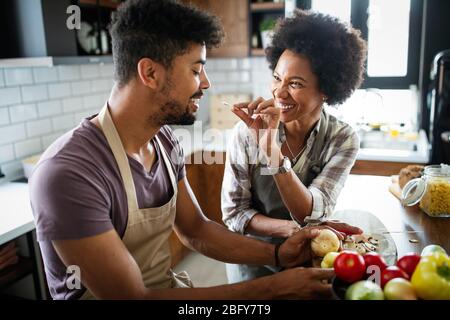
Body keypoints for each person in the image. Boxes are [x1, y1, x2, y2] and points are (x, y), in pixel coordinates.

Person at [29, 0, 359, 300]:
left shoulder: (166, 142)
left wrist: (278, 255)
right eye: (196, 69)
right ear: (150, 73)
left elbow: (196, 231)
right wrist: (272, 286)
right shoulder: (67, 175)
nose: (206, 83)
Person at [222, 9, 367, 283]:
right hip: (254, 261)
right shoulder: (246, 133)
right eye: (277, 78)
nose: (279, 92)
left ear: (327, 89)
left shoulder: (342, 138)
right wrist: (291, 229)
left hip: (310, 259)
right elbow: (234, 214)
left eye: (296, 83)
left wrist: (273, 156)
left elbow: (312, 211)